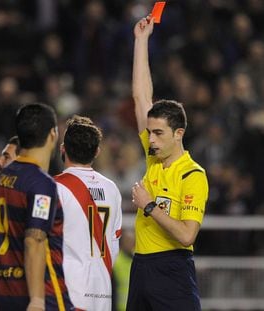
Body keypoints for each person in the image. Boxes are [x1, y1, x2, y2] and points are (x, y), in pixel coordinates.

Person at [127, 17, 209, 311]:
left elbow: (187, 234)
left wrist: (149, 206)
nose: (151, 140)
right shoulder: (154, 157)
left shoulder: (192, 174)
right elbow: (141, 96)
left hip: (172, 270)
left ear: (179, 134)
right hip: (141, 267)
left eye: (159, 134)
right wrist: (142, 40)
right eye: (150, 133)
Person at [0, 103, 74, 311]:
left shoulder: (2, 179)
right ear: (53, 134)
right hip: (40, 296)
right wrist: (37, 299)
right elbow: (34, 240)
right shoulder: (41, 184)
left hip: (5, 295)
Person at [54, 115, 123, 310]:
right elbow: (114, 243)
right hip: (102, 293)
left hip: (67, 291)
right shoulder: (111, 189)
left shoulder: (53, 188)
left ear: (62, 148)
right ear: (97, 151)